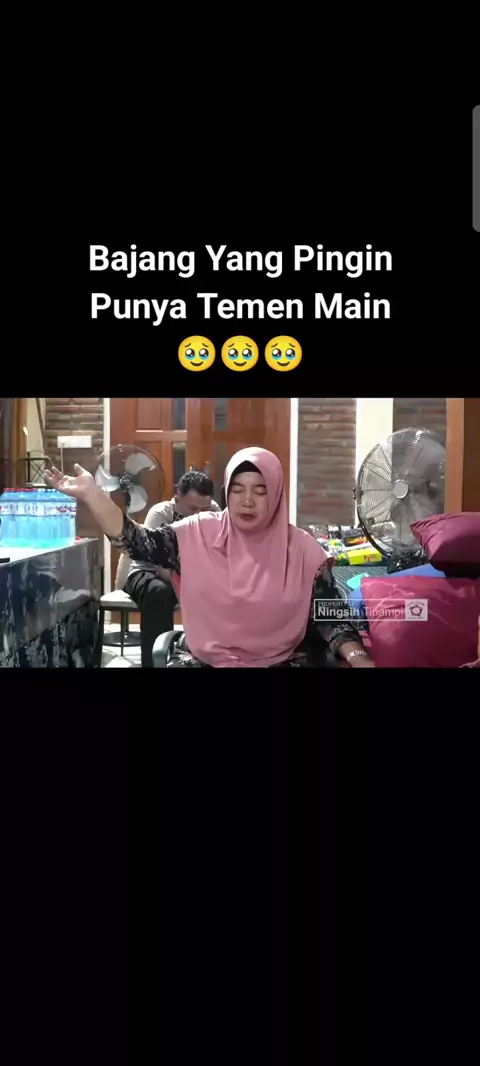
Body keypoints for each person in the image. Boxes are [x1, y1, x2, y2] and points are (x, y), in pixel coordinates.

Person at [45, 447, 375, 669]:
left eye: (260, 491)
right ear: (227, 493)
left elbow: (331, 617)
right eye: (238, 489)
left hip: (281, 661)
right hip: (205, 660)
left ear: (276, 495)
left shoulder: (303, 550)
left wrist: (358, 656)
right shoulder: (196, 534)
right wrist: (93, 495)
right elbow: (136, 542)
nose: (247, 500)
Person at [115, 470, 220, 667]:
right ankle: (156, 662)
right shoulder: (161, 513)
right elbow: (151, 557)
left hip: (191, 574)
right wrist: (186, 580)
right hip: (148, 571)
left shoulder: (214, 511)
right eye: (192, 508)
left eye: (204, 509)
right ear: (177, 498)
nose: (199, 515)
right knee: (158, 593)